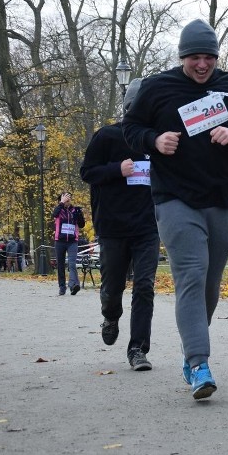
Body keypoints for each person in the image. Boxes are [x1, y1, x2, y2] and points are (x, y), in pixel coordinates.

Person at [123, 18, 228, 399]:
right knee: (191, 272)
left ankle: (190, 354)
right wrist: (155, 140)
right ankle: (200, 362)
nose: (202, 65)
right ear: (182, 56)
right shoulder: (158, 87)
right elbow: (131, 129)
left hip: (222, 199)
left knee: (209, 282)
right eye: (194, 58)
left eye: (209, 57)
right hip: (174, 198)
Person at [80, 78, 160, 372]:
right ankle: (110, 315)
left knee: (144, 286)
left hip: (148, 227)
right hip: (113, 227)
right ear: (129, 107)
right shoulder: (107, 136)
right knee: (113, 287)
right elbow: (86, 172)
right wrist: (118, 169)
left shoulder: (156, 141)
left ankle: (138, 349)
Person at [52, 192, 86, 295]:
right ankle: (62, 287)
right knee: (60, 265)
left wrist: (80, 215)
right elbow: (54, 214)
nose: (68, 201)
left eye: (69, 198)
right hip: (60, 241)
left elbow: (82, 225)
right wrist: (61, 203)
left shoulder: (74, 210)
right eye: (65, 199)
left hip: (72, 242)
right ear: (61, 200)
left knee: (72, 264)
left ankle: (73, 286)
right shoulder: (58, 209)